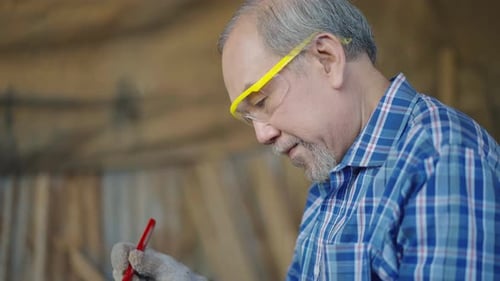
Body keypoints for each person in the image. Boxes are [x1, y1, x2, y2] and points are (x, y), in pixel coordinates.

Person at [111, 0, 500, 280]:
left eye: (261, 101)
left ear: (327, 58)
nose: (262, 134)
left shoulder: (443, 160)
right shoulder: (335, 178)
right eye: (248, 117)